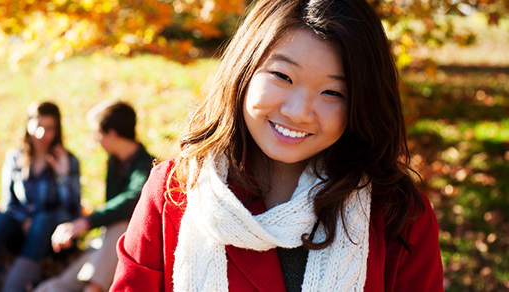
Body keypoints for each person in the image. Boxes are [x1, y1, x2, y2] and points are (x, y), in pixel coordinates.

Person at [110, 0, 444, 291]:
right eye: (282, 76)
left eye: (332, 93)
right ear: (244, 70)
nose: (298, 112)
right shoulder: (175, 192)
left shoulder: (397, 215)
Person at [0, 102, 81, 292]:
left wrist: (63, 175)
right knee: (0, 219)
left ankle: (14, 287)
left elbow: (73, 212)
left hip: (52, 238)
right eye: (38, 126)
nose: (42, 134)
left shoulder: (68, 160)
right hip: (21, 233)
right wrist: (25, 221)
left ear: (57, 130)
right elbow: (8, 203)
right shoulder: (15, 157)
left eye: (49, 128)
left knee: (42, 220)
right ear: (28, 124)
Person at [34, 101, 153, 292]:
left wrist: (86, 222)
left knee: (119, 225)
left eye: (97, 133)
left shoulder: (146, 166)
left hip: (132, 248)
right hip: (106, 246)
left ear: (112, 134)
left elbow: (131, 201)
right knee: (55, 287)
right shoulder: (115, 161)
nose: (95, 140)